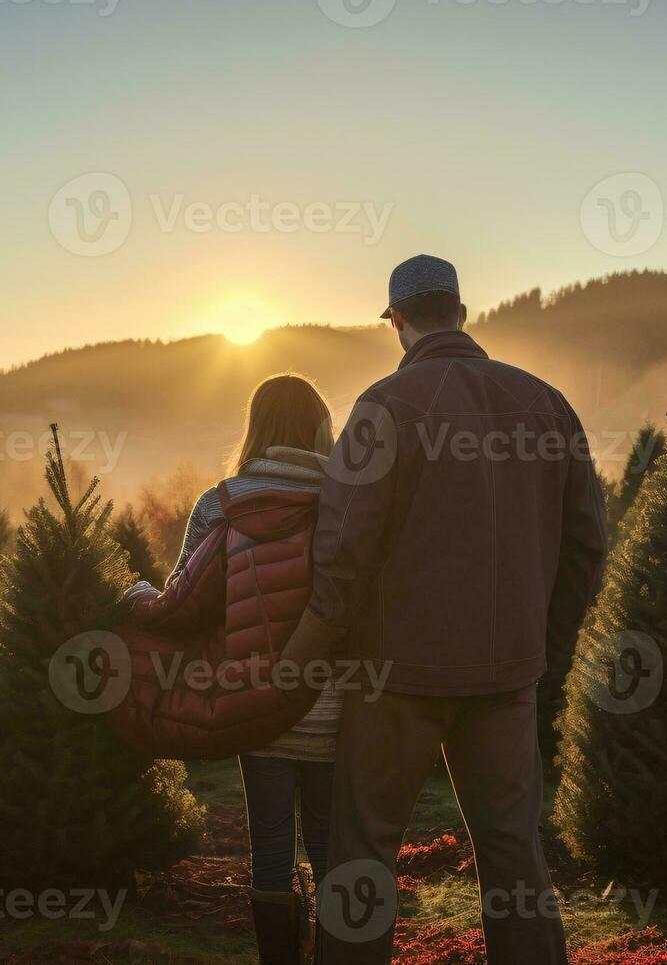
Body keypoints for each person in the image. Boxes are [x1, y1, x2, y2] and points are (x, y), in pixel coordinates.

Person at [282, 255, 608, 963]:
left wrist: (302, 660)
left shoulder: (384, 407)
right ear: (461, 311)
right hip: (506, 675)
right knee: (514, 855)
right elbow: (588, 542)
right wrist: (538, 647)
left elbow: (342, 552)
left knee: (364, 851)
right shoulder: (545, 403)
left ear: (396, 321)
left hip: (394, 677)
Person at [123, 374, 341, 964]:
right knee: (328, 845)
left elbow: (183, 599)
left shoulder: (222, 502)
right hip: (336, 707)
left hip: (255, 706)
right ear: (319, 428)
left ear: (258, 429)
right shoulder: (348, 503)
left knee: (270, 842)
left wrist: (135, 594)